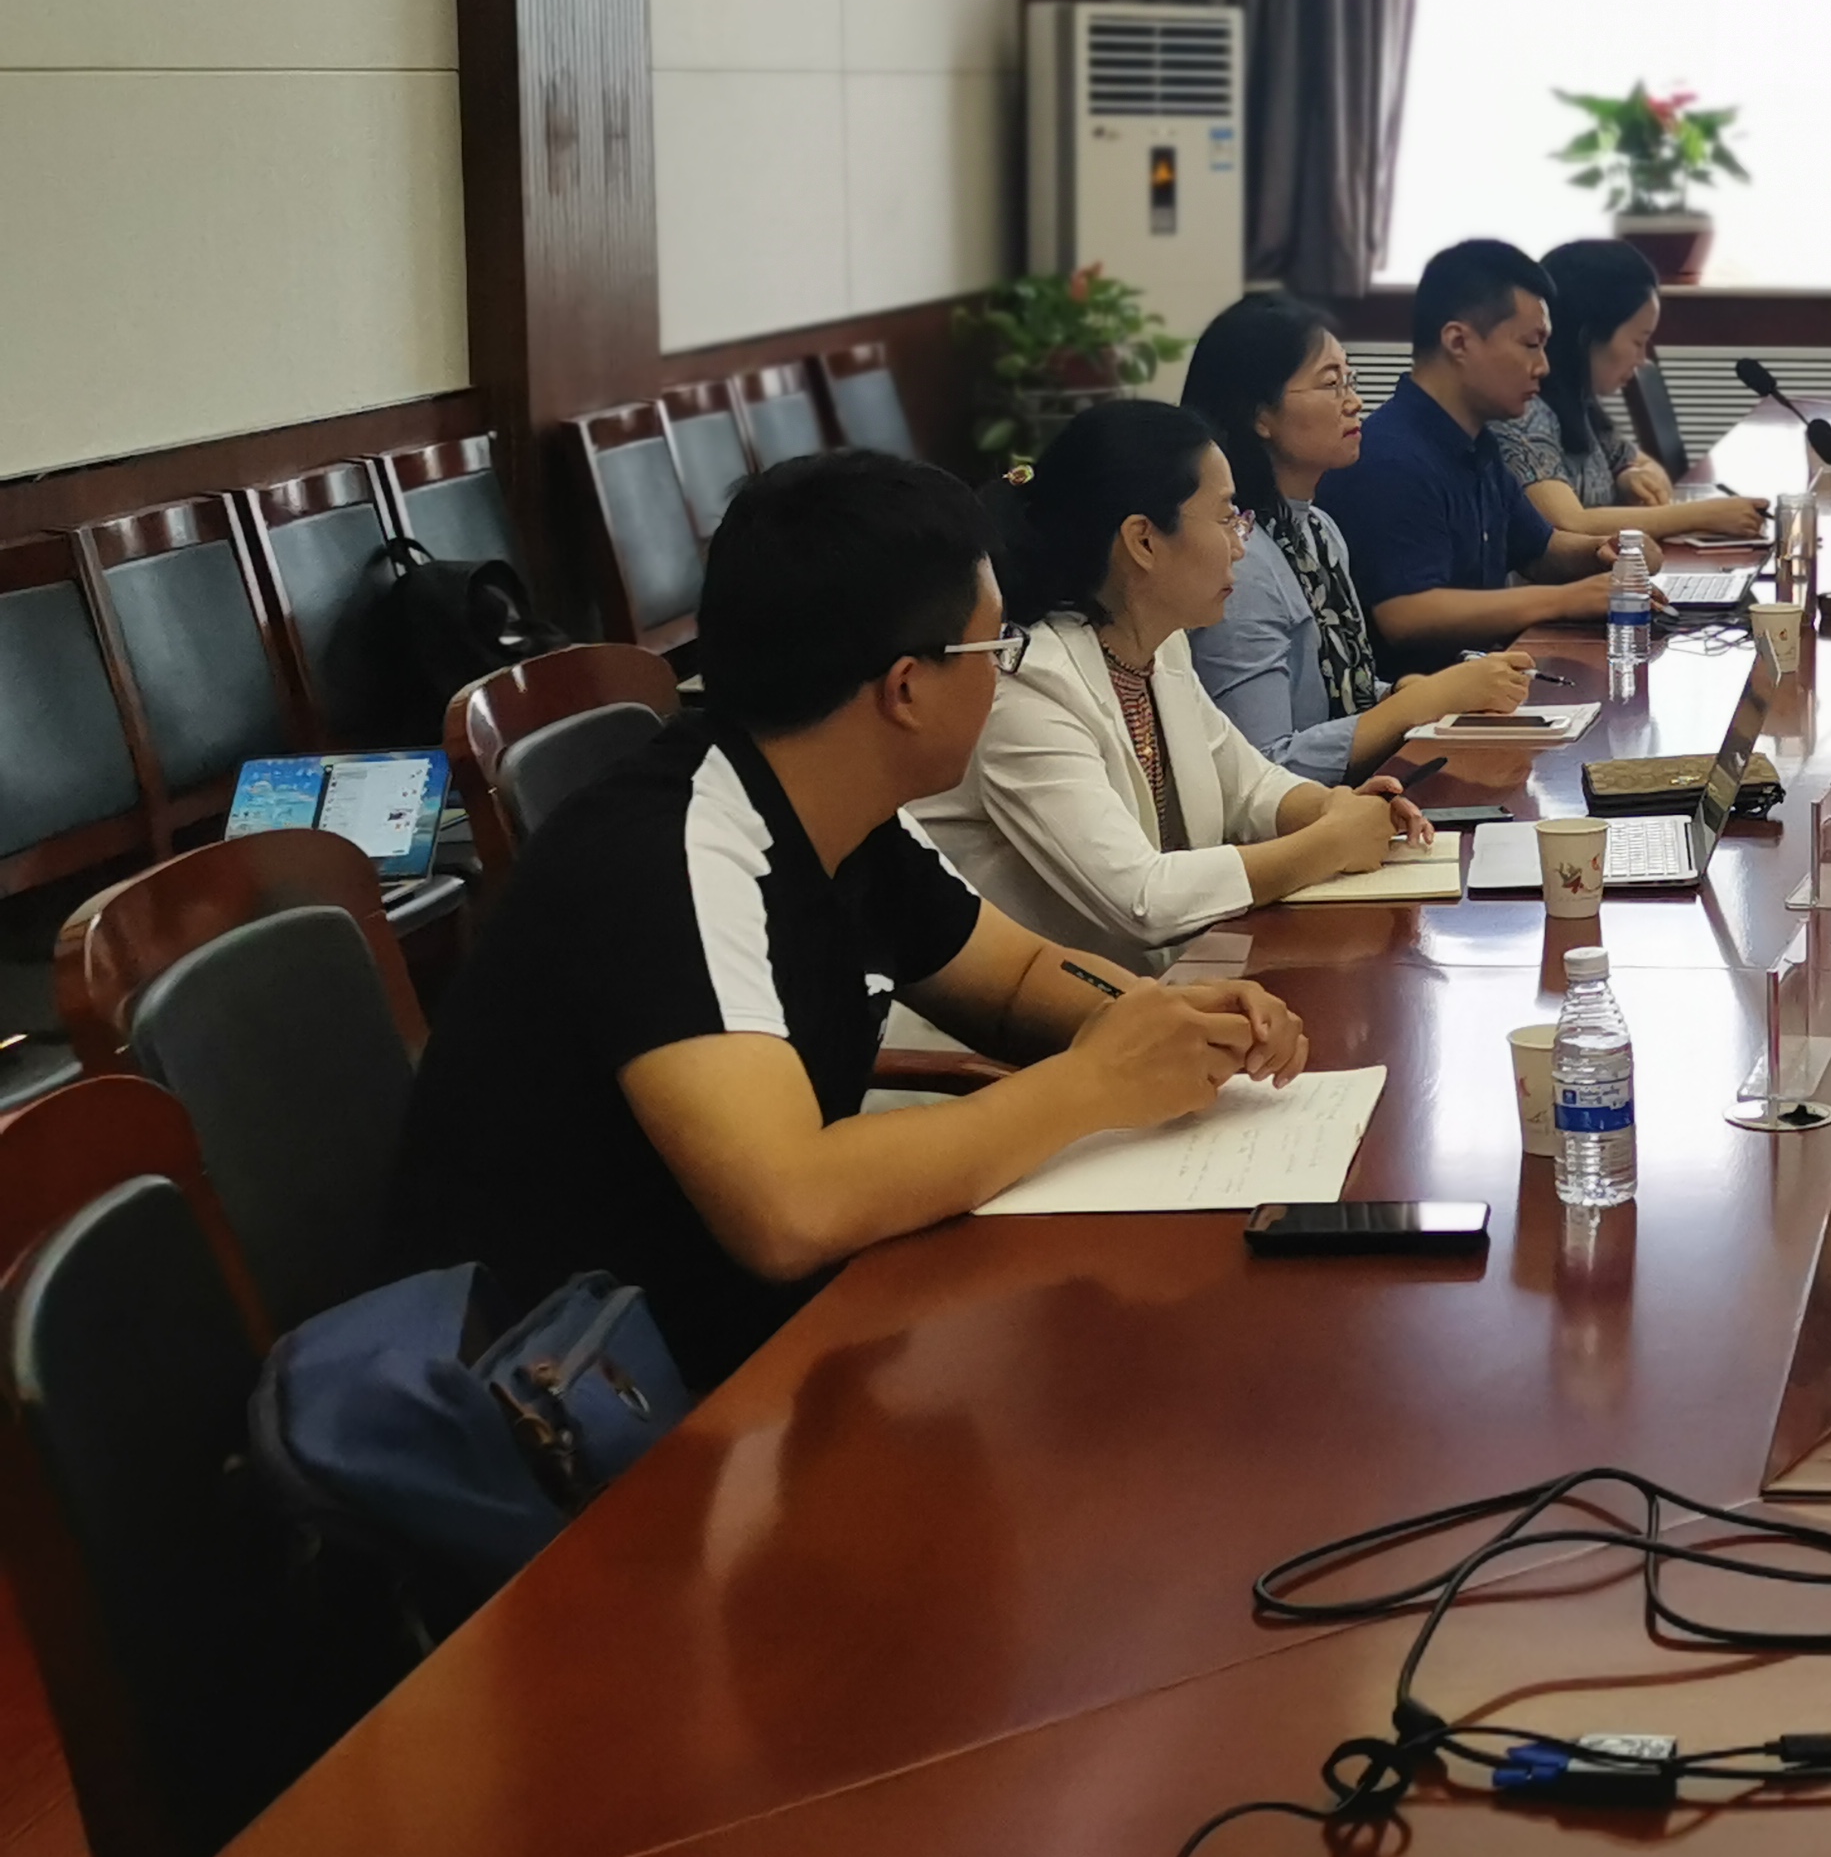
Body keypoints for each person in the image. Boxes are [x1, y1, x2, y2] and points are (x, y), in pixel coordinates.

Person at [383, 451, 1310, 1385]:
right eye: (996, 650)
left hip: (735, 1342)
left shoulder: (840, 809)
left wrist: (1165, 1021)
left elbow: (1019, 979)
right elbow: (791, 1209)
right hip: (570, 1394)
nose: (1005, 678)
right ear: (905, 689)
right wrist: (1094, 1083)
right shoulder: (668, 853)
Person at [914, 399, 1435, 966]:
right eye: (1226, 517)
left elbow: (1249, 787)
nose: (1241, 544)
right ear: (1143, 540)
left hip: (1157, 985)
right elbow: (1141, 899)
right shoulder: (1028, 684)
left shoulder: (1159, 646)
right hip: (1037, 1011)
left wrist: (1333, 806)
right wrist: (1330, 842)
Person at [1181, 291, 1540, 781]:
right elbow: (1264, 768)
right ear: (1259, 414)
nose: (1355, 403)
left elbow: (1342, 693)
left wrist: (1405, 692)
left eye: (1349, 381)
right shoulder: (1239, 560)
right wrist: (1422, 702)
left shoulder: (1319, 530)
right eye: (1331, 384)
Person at [1321, 236, 1620, 661]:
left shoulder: (1477, 442)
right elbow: (1407, 614)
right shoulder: (1389, 458)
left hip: (1484, 682)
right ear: (1458, 342)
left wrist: (1605, 551)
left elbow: (1539, 551)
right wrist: (1569, 599)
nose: (1543, 366)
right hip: (1421, 699)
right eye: (1531, 344)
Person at [1494, 238, 1771, 551]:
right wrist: (1704, 515)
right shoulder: (1524, 412)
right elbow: (1568, 524)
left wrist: (1628, 475)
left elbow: (1645, 466)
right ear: (1588, 336)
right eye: (1638, 341)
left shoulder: (1578, 404)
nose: (1641, 360)